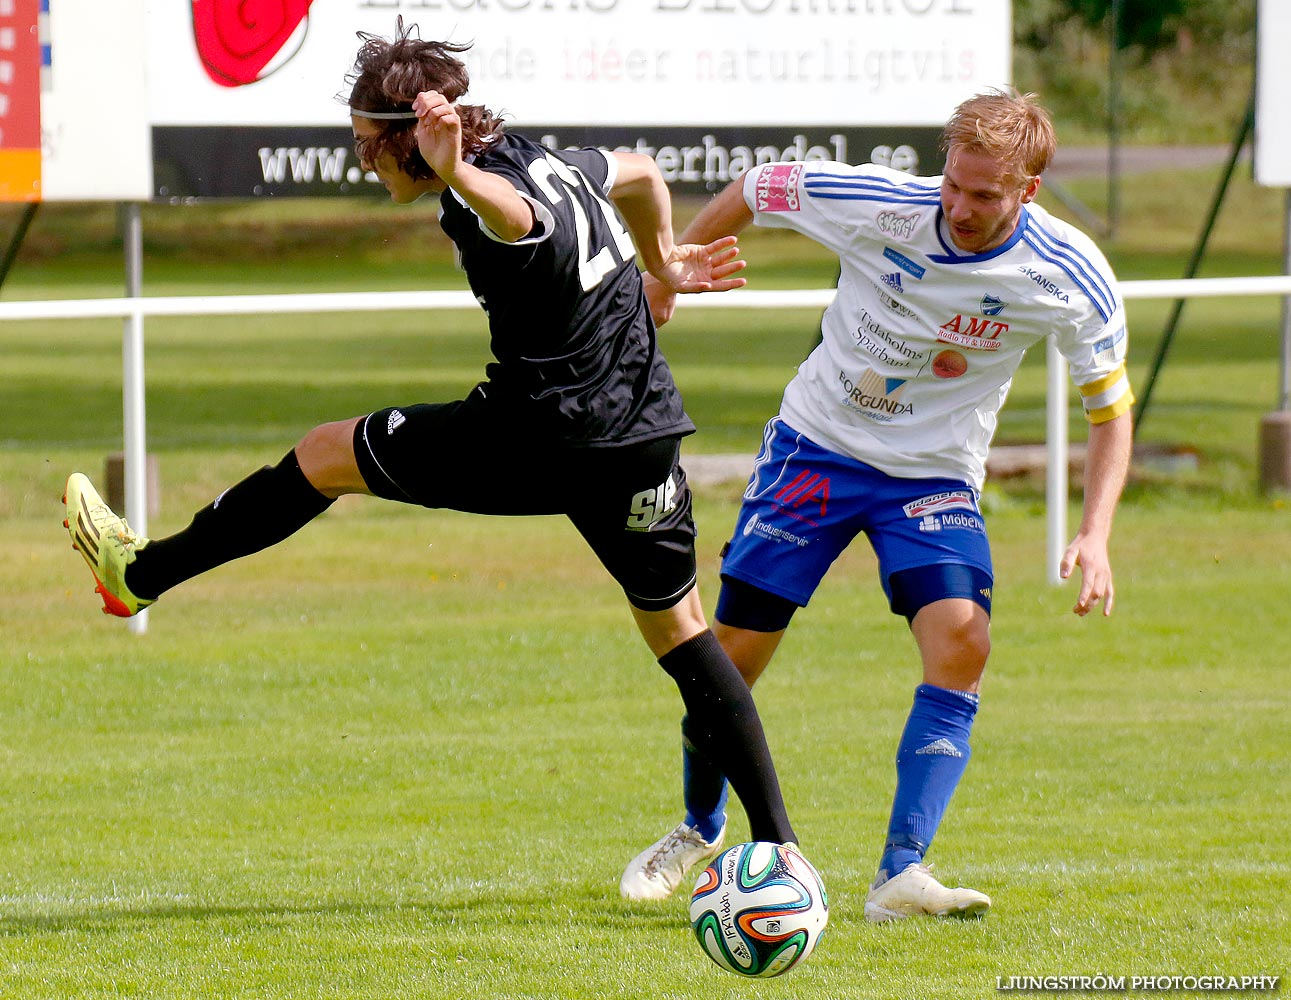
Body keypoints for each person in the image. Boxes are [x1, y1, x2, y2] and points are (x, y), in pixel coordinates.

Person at [63, 21, 807, 863]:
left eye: (363, 144)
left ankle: (138, 575)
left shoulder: (478, 188)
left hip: (536, 435)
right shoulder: (543, 155)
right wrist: (662, 262)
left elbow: (516, 221)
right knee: (680, 632)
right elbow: (636, 174)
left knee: (322, 455)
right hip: (642, 435)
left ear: (403, 139)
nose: (359, 160)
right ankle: (781, 851)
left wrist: (454, 172)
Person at [619, 89, 1133, 921]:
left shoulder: (1067, 275)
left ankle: (901, 873)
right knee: (729, 662)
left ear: (1027, 192)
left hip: (932, 476)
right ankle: (698, 825)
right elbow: (757, 185)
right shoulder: (876, 203)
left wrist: (1095, 533)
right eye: (953, 186)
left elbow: (1110, 409)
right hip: (813, 451)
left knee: (962, 643)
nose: (959, 208)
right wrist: (671, 268)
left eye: (985, 196)